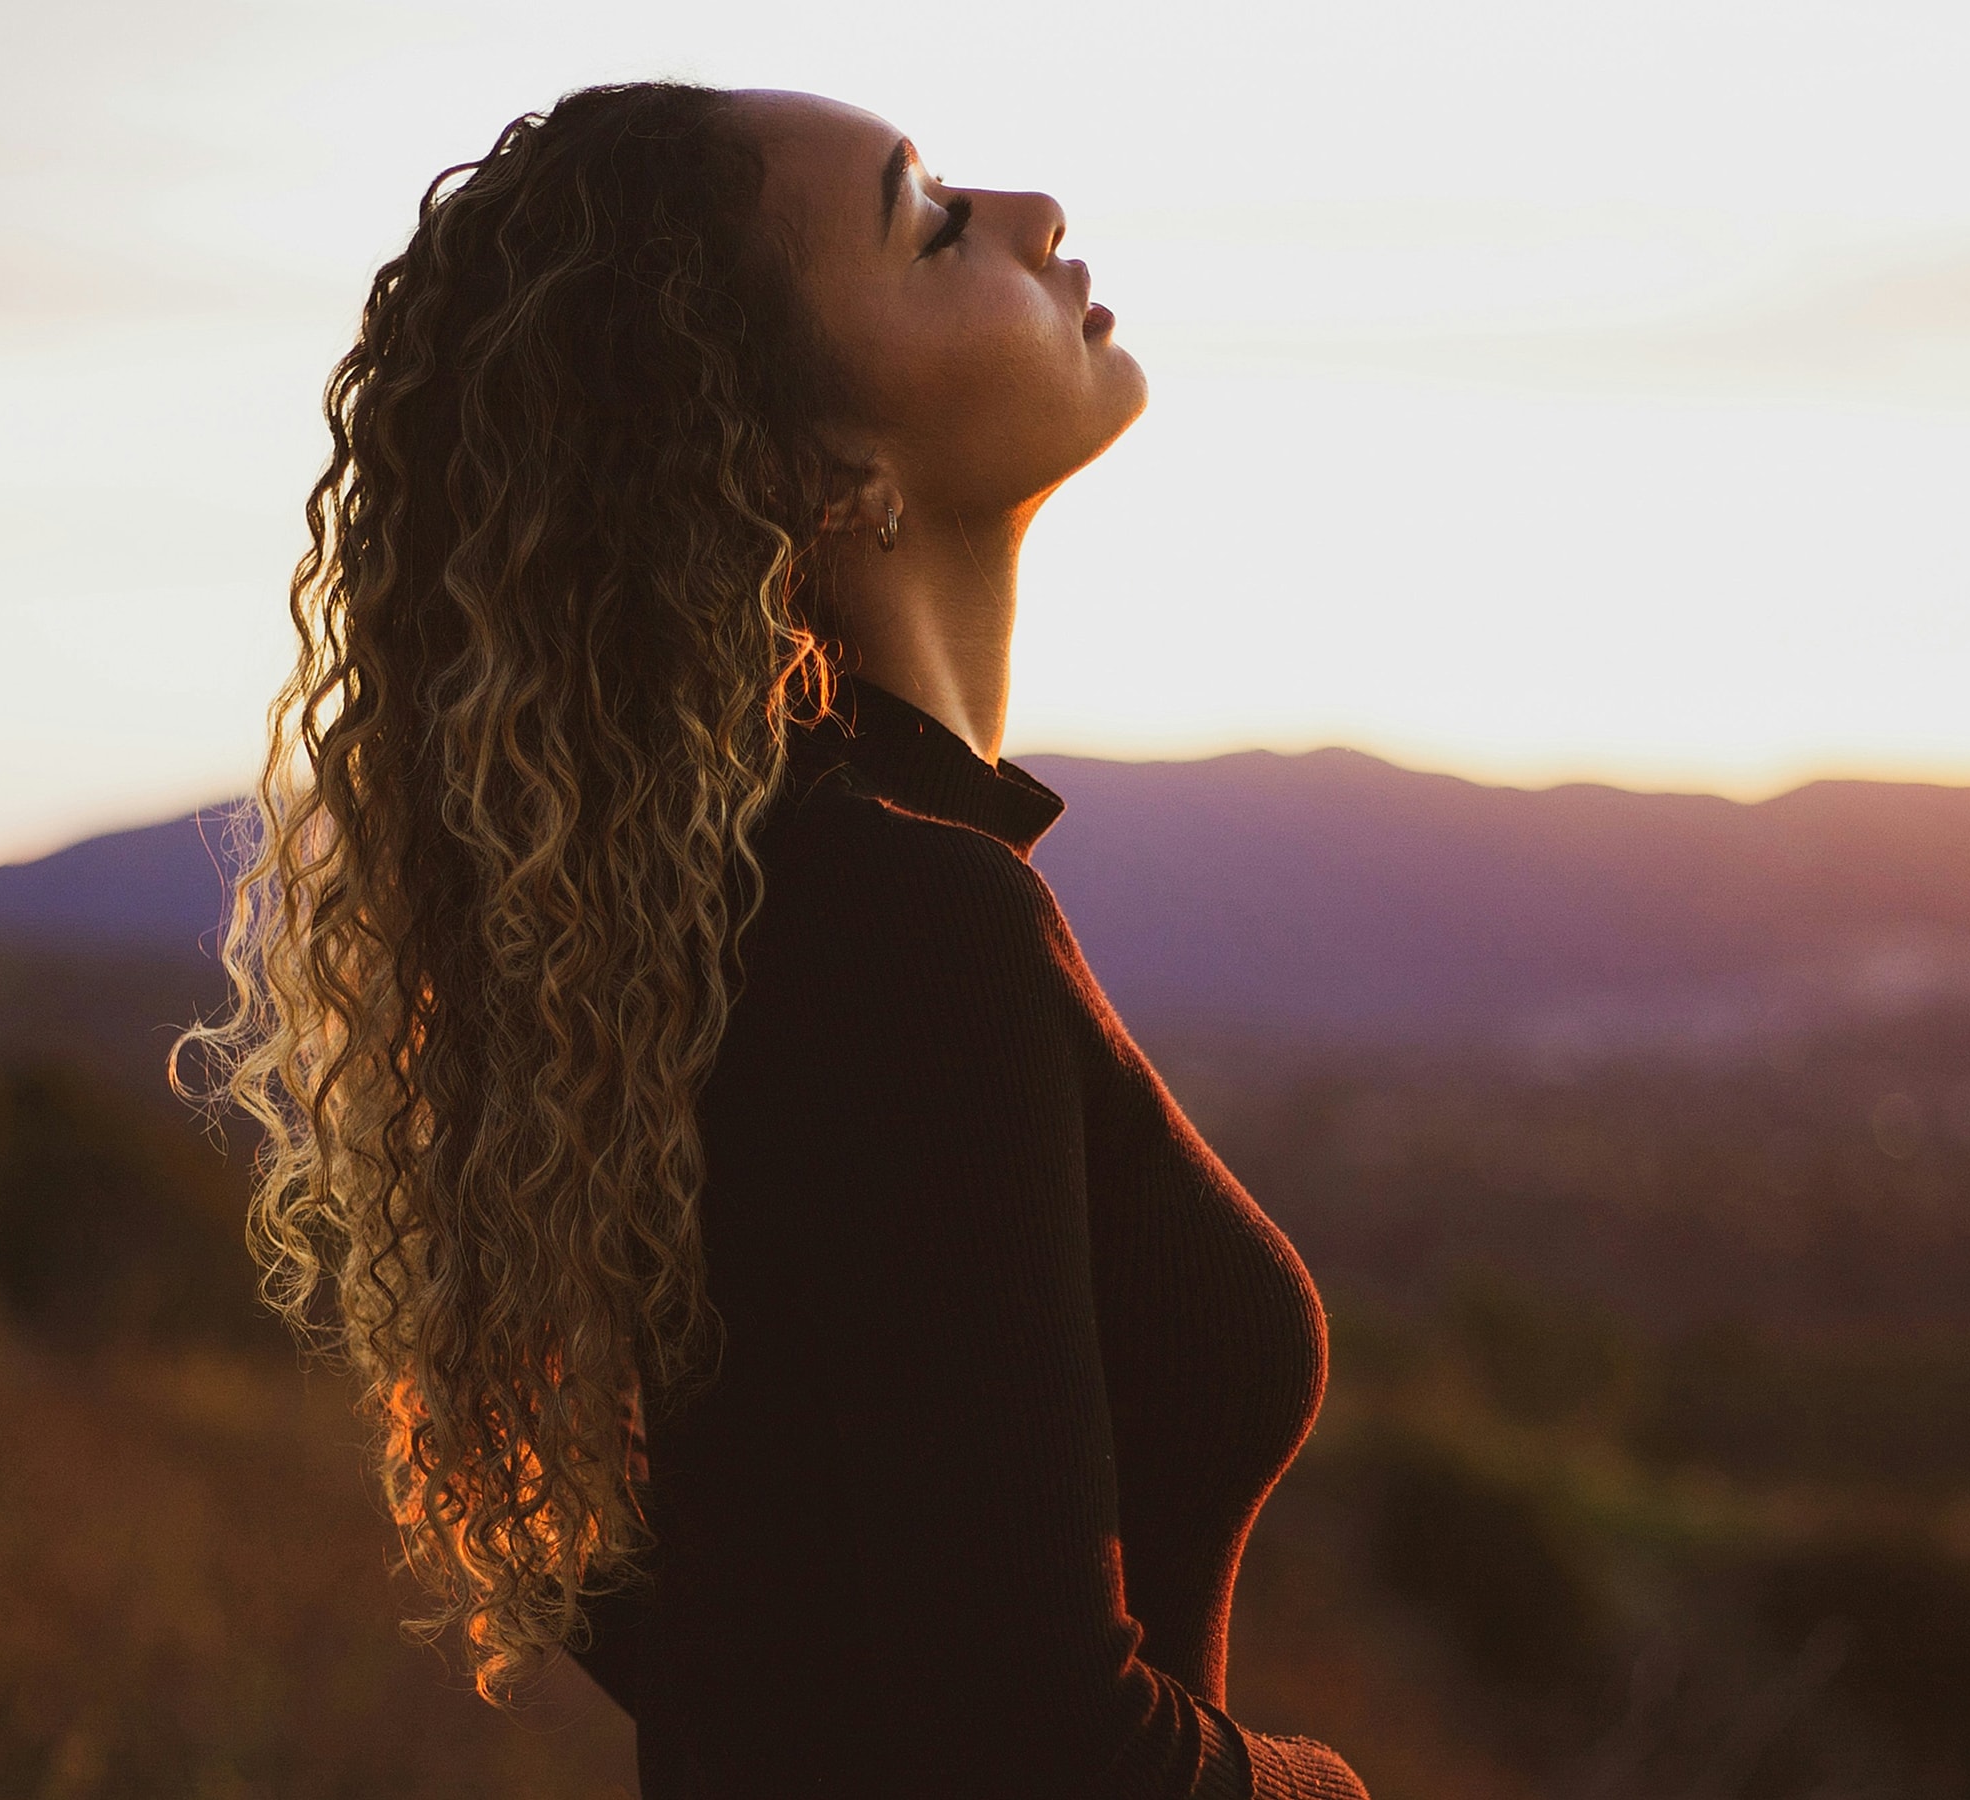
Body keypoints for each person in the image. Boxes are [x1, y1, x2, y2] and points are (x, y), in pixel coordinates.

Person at [193, 78, 1369, 1799]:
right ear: (826, 471)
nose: (1031, 213)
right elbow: (1046, 1757)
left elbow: (719, 1598)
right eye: (931, 221)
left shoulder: (738, 921)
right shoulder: (896, 931)